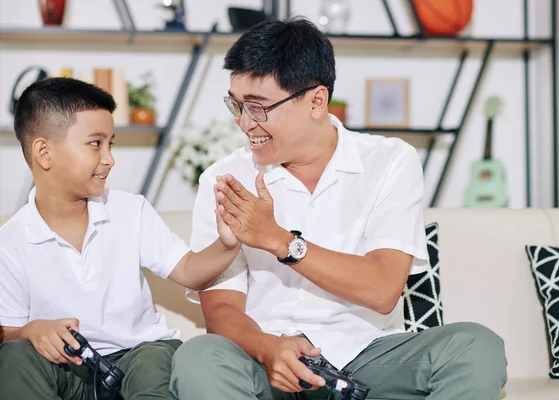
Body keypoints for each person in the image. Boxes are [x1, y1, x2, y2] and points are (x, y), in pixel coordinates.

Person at [170, 18, 507, 400]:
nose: (245, 124)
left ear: (316, 100)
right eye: (236, 105)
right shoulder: (224, 178)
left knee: (476, 346)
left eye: (258, 108)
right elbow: (222, 311)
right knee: (198, 356)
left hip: (367, 358)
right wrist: (268, 349)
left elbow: (382, 289)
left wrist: (280, 240)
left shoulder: (390, 162)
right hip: (265, 361)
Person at [0, 77, 241, 400]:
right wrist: (30, 330)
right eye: (95, 143)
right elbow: (7, 334)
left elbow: (189, 271)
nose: (109, 158)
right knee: (15, 356)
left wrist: (227, 243)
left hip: (138, 355)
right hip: (70, 369)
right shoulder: (11, 242)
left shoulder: (131, 211)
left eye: (110, 143)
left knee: (155, 359)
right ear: (44, 152)